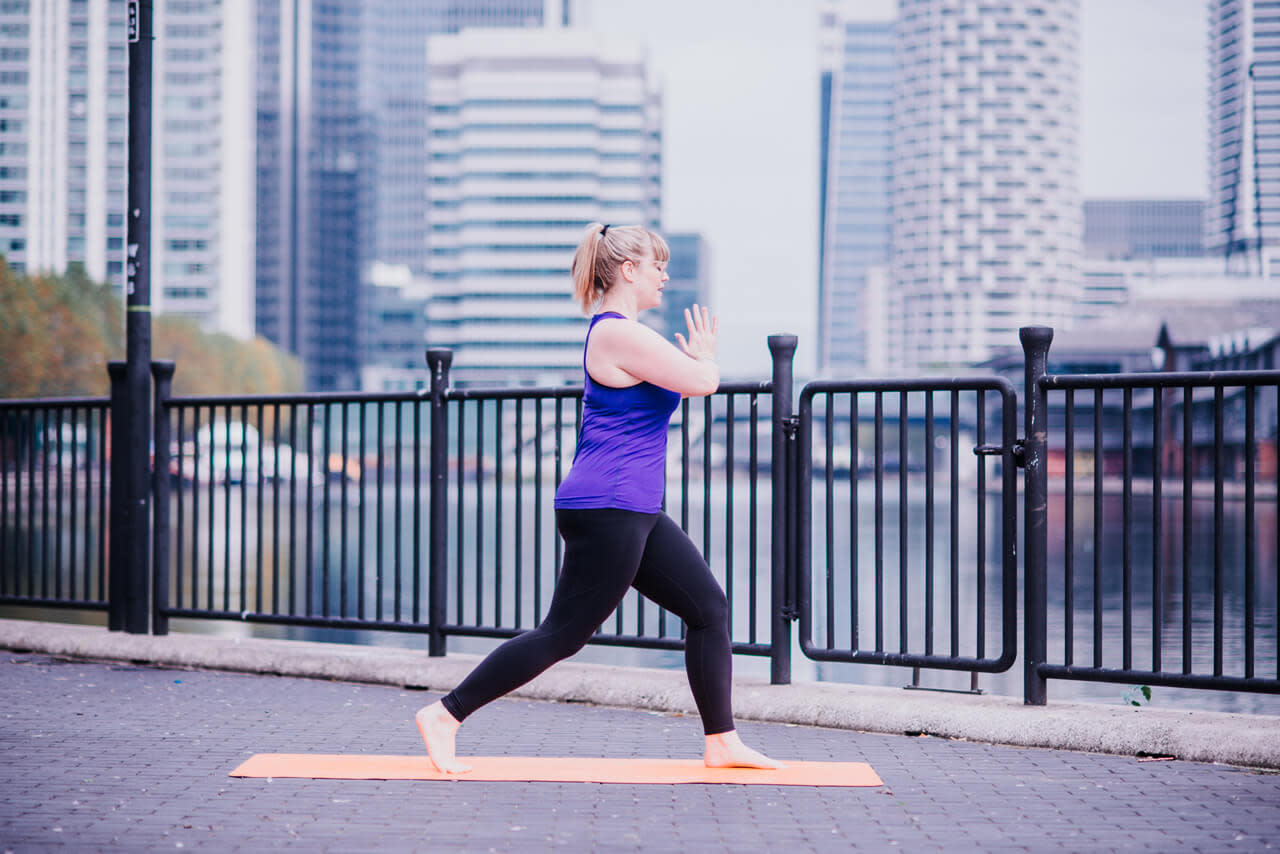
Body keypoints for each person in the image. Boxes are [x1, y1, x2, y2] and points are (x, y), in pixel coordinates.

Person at [415, 222, 780, 774]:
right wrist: (706, 358)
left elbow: (683, 382)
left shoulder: (628, 337)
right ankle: (446, 715)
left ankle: (722, 741)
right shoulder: (617, 333)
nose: (665, 275)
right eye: (657, 265)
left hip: (633, 507)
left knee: (708, 609)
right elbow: (701, 382)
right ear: (628, 271)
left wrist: (697, 368)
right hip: (607, 507)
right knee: (562, 634)